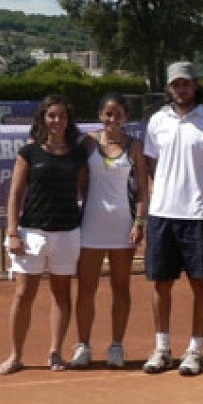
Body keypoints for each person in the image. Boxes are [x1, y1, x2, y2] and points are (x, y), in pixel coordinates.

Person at [140, 61, 203, 375]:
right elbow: (151, 165)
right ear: (169, 88)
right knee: (161, 285)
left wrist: (199, 196)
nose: (182, 89)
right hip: (162, 215)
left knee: (200, 284)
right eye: (176, 84)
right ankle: (162, 349)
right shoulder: (156, 122)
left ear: (195, 85)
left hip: (198, 218)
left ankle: (195, 350)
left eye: (186, 84)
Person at [0, 95, 88, 375]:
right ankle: (16, 356)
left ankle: (56, 352)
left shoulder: (77, 154)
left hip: (67, 233)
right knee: (24, 294)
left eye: (61, 116)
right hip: (32, 233)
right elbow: (15, 193)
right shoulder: (29, 152)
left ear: (68, 120)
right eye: (51, 116)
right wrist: (13, 232)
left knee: (62, 295)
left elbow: (84, 192)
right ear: (43, 119)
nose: (57, 121)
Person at [70, 94, 149, 369]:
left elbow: (142, 190)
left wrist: (139, 223)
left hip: (123, 230)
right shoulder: (89, 142)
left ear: (126, 117)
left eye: (118, 115)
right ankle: (83, 345)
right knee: (86, 288)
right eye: (108, 114)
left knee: (121, 287)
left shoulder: (135, 146)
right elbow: (80, 181)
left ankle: (116, 345)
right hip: (91, 227)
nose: (113, 120)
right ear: (101, 116)